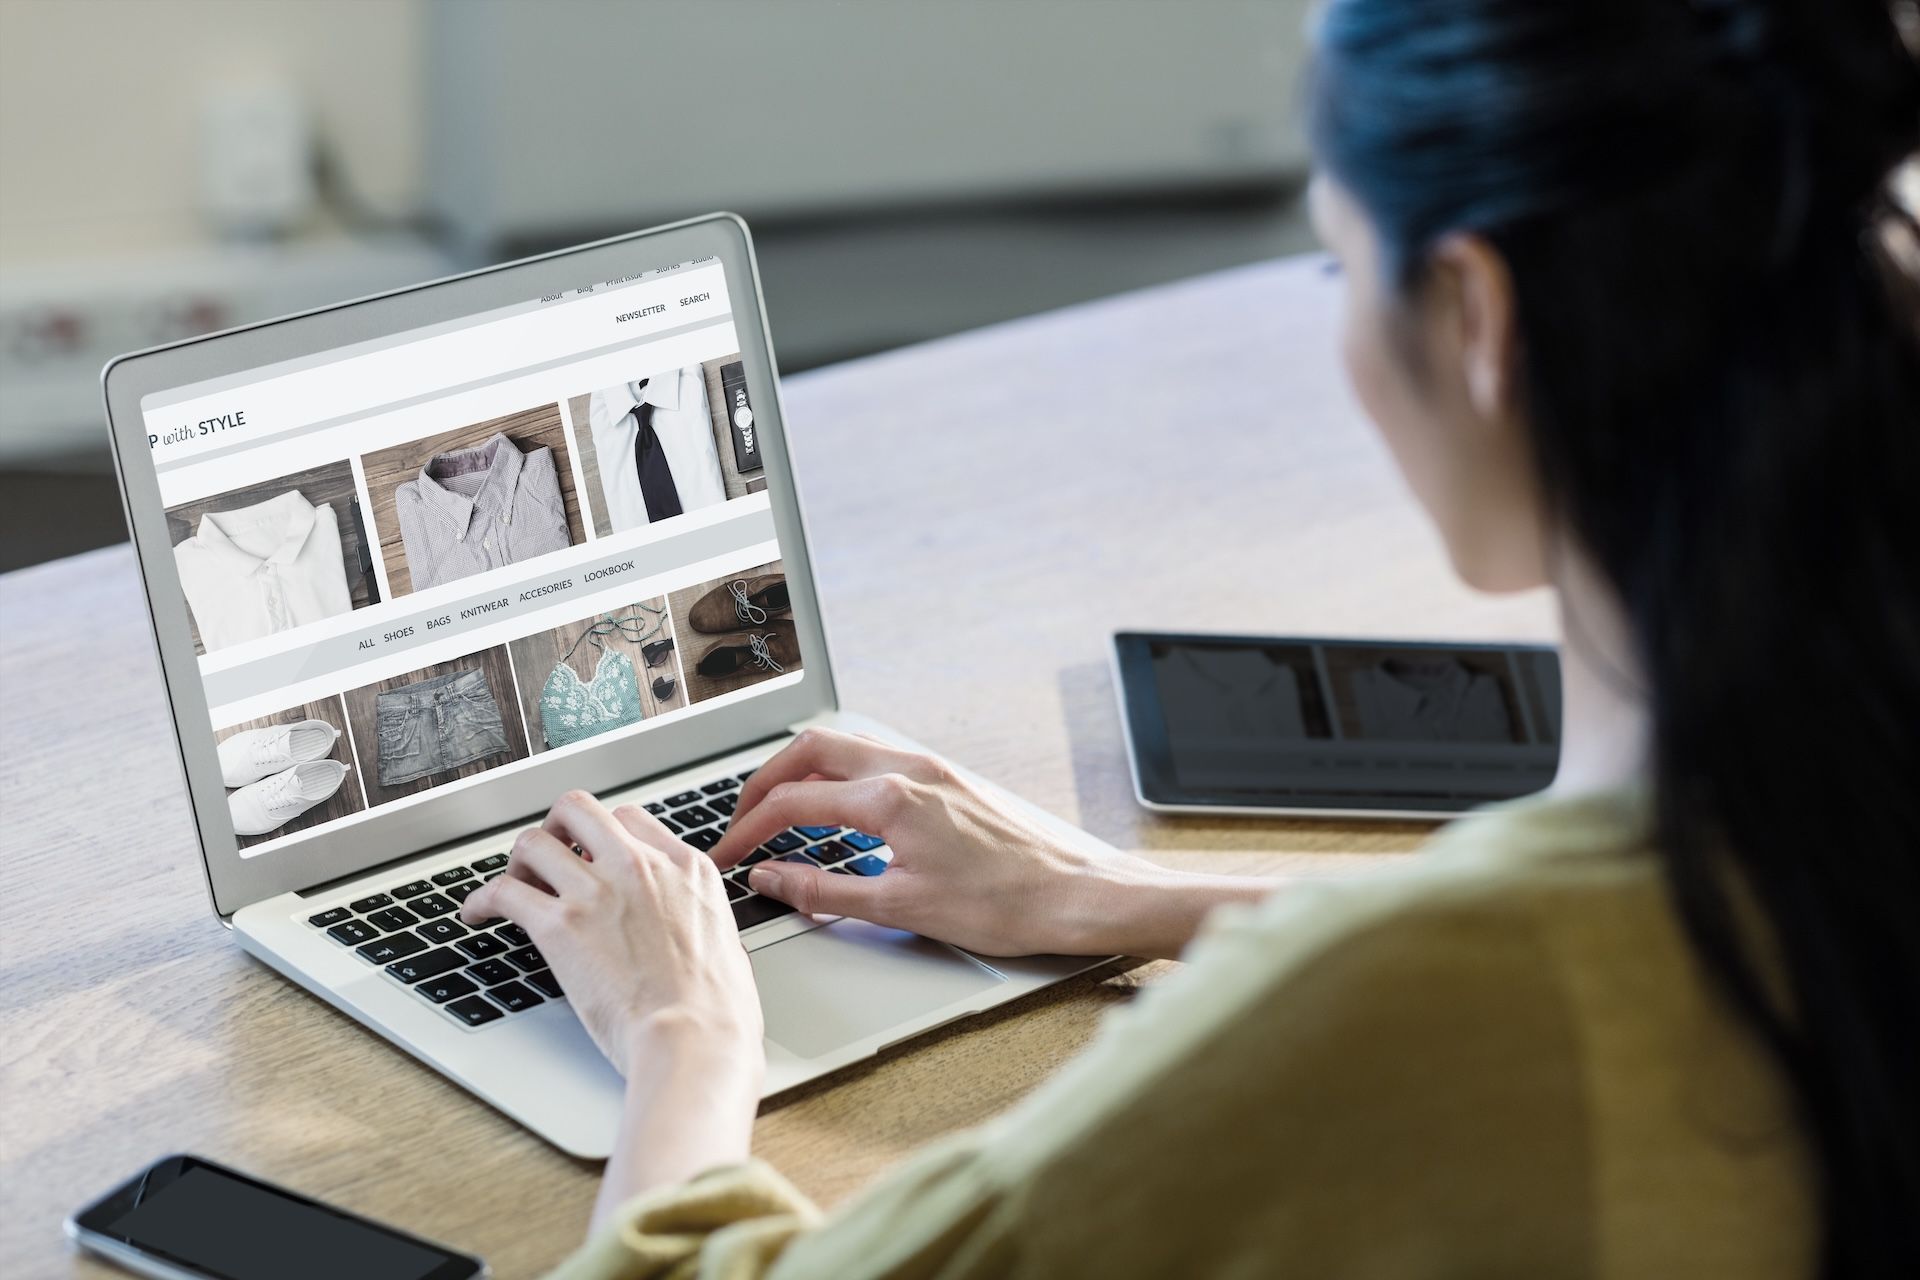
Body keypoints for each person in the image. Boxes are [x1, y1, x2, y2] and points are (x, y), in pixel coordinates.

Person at [461, 0, 1920, 1274]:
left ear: (1478, 316)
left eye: (1341, 266)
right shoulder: (1819, 819)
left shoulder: (1420, 1008)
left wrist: (682, 1026)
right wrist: (1122, 896)